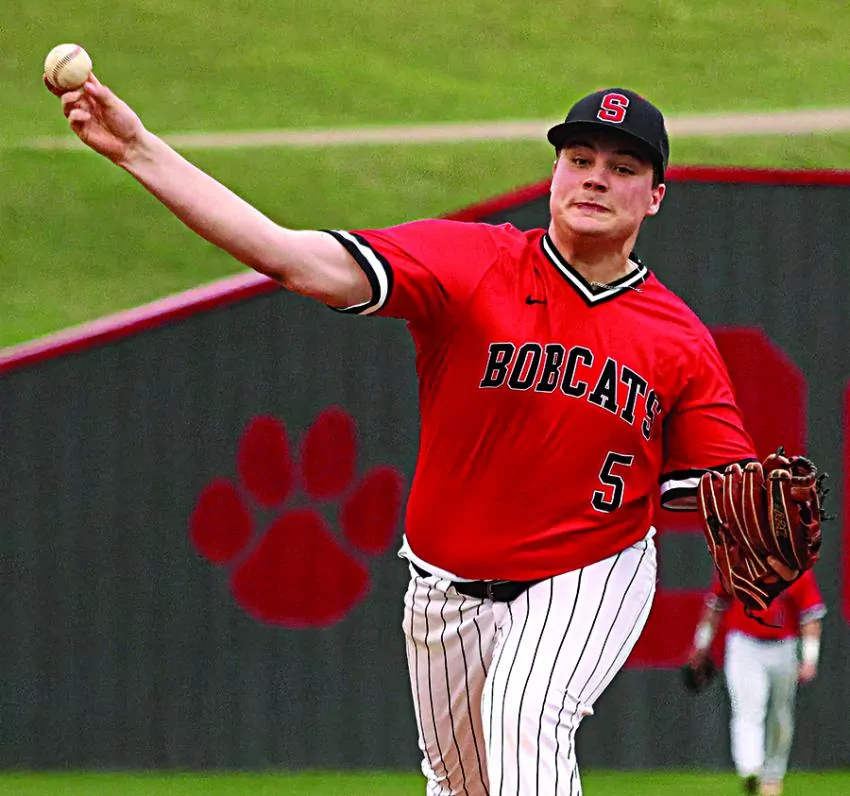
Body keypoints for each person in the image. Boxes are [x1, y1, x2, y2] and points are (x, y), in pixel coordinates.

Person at [54, 78, 762, 794]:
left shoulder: (678, 340)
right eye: (579, 159)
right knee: (462, 784)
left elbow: (730, 491)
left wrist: (750, 508)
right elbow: (291, 257)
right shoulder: (471, 263)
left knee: (528, 717)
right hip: (445, 587)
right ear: (555, 172)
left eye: (622, 167)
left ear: (655, 195)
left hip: (590, 570)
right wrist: (137, 149)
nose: (596, 179)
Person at [687, 570, 825, 796]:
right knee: (748, 709)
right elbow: (716, 604)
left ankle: (773, 773)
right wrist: (701, 644)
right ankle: (750, 768)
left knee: (780, 714)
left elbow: (810, 616)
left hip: (783, 646)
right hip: (744, 644)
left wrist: (810, 657)